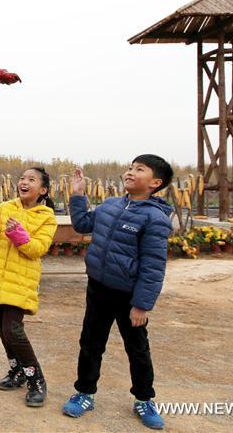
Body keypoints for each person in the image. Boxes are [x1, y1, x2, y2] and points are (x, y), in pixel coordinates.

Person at [61, 155, 174, 430]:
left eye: (139, 169)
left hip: (129, 296)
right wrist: (78, 196)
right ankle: (85, 393)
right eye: (130, 167)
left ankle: (144, 399)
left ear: (155, 183)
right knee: (90, 343)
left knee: (137, 348)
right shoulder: (111, 205)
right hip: (98, 288)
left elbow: (153, 266)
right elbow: (83, 225)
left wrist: (142, 305)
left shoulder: (155, 218)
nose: (130, 172)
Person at [0, 167, 58, 407]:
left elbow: (38, 249)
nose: (24, 182)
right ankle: (17, 370)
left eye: (31, 180)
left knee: (13, 330)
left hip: (21, 280)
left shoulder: (46, 217)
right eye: (22, 178)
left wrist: (21, 237)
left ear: (43, 190)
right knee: (1, 328)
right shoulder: (6, 207)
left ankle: (36, 380)